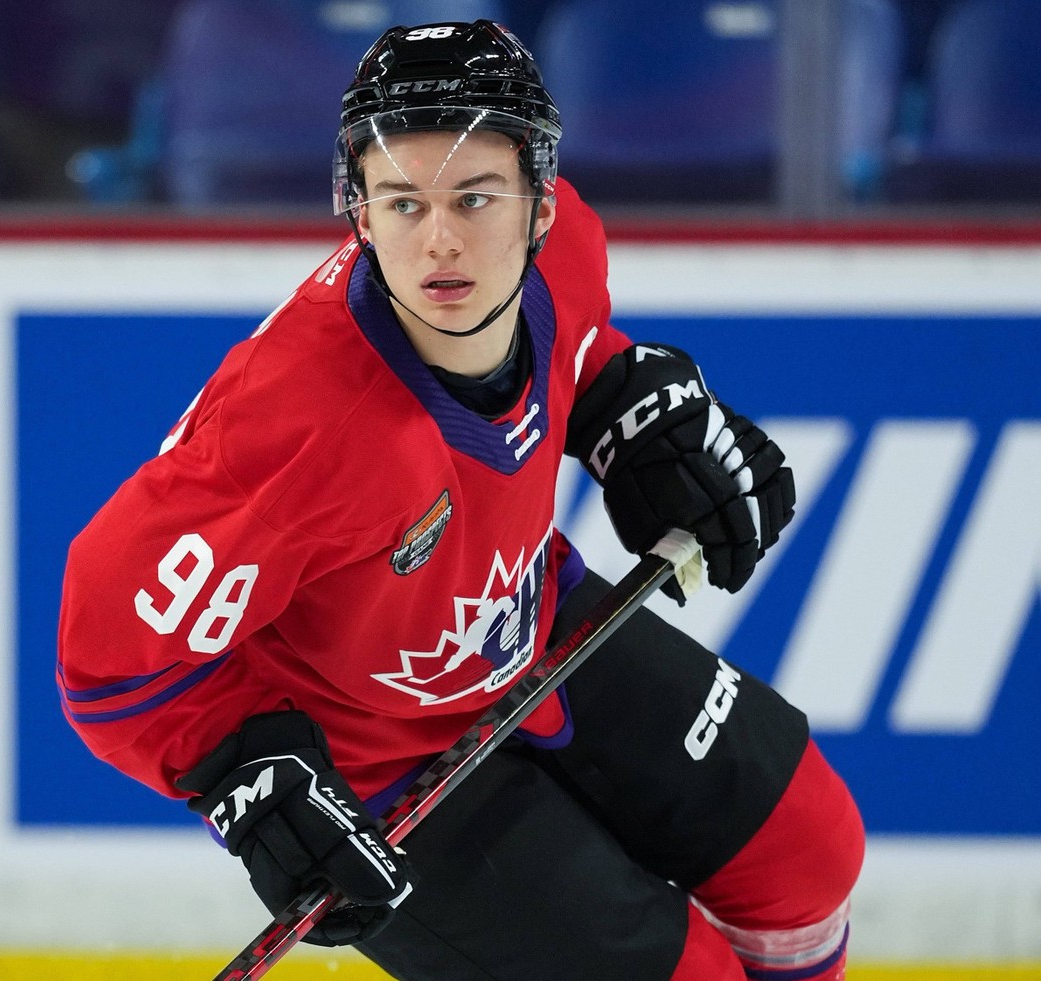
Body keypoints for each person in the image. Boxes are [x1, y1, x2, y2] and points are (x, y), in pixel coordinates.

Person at [57, 19, 863, 981]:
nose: (439, 241)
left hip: (531, 618)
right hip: (380, 765)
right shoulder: (298, 425)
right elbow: (105, 658)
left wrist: (621, 405)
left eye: (476, 197)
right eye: (402, 203)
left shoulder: (568, 257)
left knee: (809, 847)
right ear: (358, 212)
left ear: (540, 202)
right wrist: (247, 774)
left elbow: (573, 350)